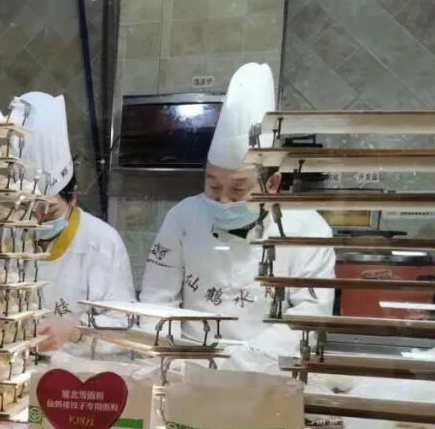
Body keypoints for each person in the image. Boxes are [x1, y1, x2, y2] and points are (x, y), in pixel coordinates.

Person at [139, 63, 335, 360]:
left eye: (238, 189)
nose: (222, 200)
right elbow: (156, 300)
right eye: (213, 186)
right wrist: (168, 357)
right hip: (187, 360)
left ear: (272, 184)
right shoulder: (182, 218)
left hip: (267, 368)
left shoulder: (309, 230)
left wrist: (242, 363)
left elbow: (309, 316)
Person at [20, 92, 136, 354]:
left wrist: (76, 330)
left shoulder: (102, 241)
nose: (37, 221)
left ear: (73, 196)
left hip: (77, 371)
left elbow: (123, 323)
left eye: (49, 210)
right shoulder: (9, 236)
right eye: (28, 210)